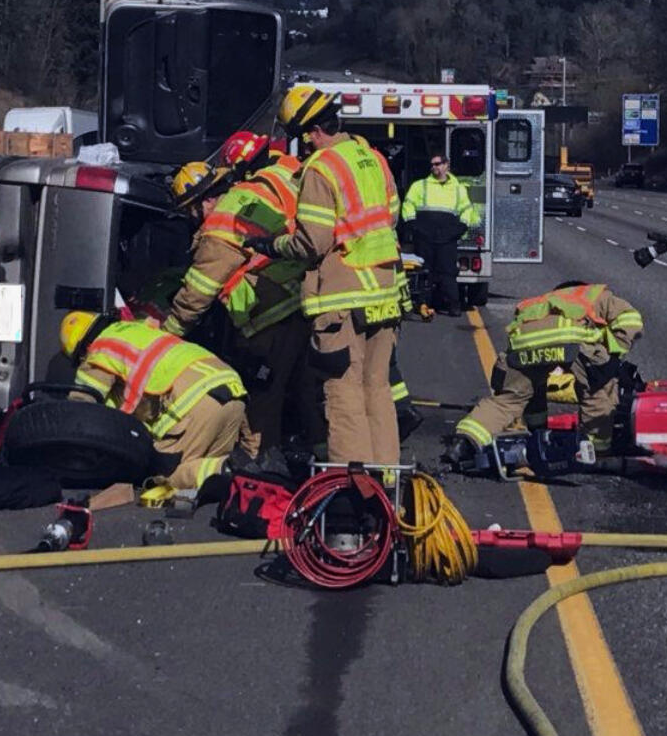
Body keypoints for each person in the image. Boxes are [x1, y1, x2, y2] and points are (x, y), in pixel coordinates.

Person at [247, 86, 403, 464]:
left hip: (342, 302)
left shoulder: (321, 167)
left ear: (313, 131)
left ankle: (354, 491)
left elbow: (312, 243)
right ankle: (385, 480)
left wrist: (272, 246)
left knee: (343, 394)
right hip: (384, 294)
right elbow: (392, 217)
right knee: (377, 391)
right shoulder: (372, 157)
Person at [162, 132, 319, 457]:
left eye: (191, 211)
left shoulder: (219, 224)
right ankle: (322, 459)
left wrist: (169, 335)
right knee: (306, 392)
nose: (193, 219)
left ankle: (259, 468)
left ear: (203, 200)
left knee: (261, 402)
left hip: (268, 319)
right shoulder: (249, 197)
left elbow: (199, 291)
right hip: (298, 306)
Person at [447, 281, 643, 467]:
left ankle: (465, 441)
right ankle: (595, 448)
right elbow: (630, 318)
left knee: (510, 399)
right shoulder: (596, 295)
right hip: (572, 341)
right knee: (598, 391)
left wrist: (537, 430)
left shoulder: (540, 302)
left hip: (524, 345)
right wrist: (613, 353)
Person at [60, 311, 246, 495]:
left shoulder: (100, 350)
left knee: (161, 481)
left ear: (82, 350)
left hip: (195, 399)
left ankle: (235, 468)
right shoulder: (138, 331)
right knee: (208, 481)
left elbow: (82, 407)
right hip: (232, 390)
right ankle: (242, 468)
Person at [400, 154, 480, 316]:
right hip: (424, 236)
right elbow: (408, 205)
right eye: (432, 165)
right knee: (423, 271)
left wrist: (459, 229)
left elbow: (467, 209)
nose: (434, 167)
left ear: (446, 165)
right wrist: (414, 227)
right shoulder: (419, 186)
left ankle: (453, 305)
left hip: (447, 237)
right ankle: (423, 304)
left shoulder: (458, 189)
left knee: (448, 272)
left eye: (438, 164)